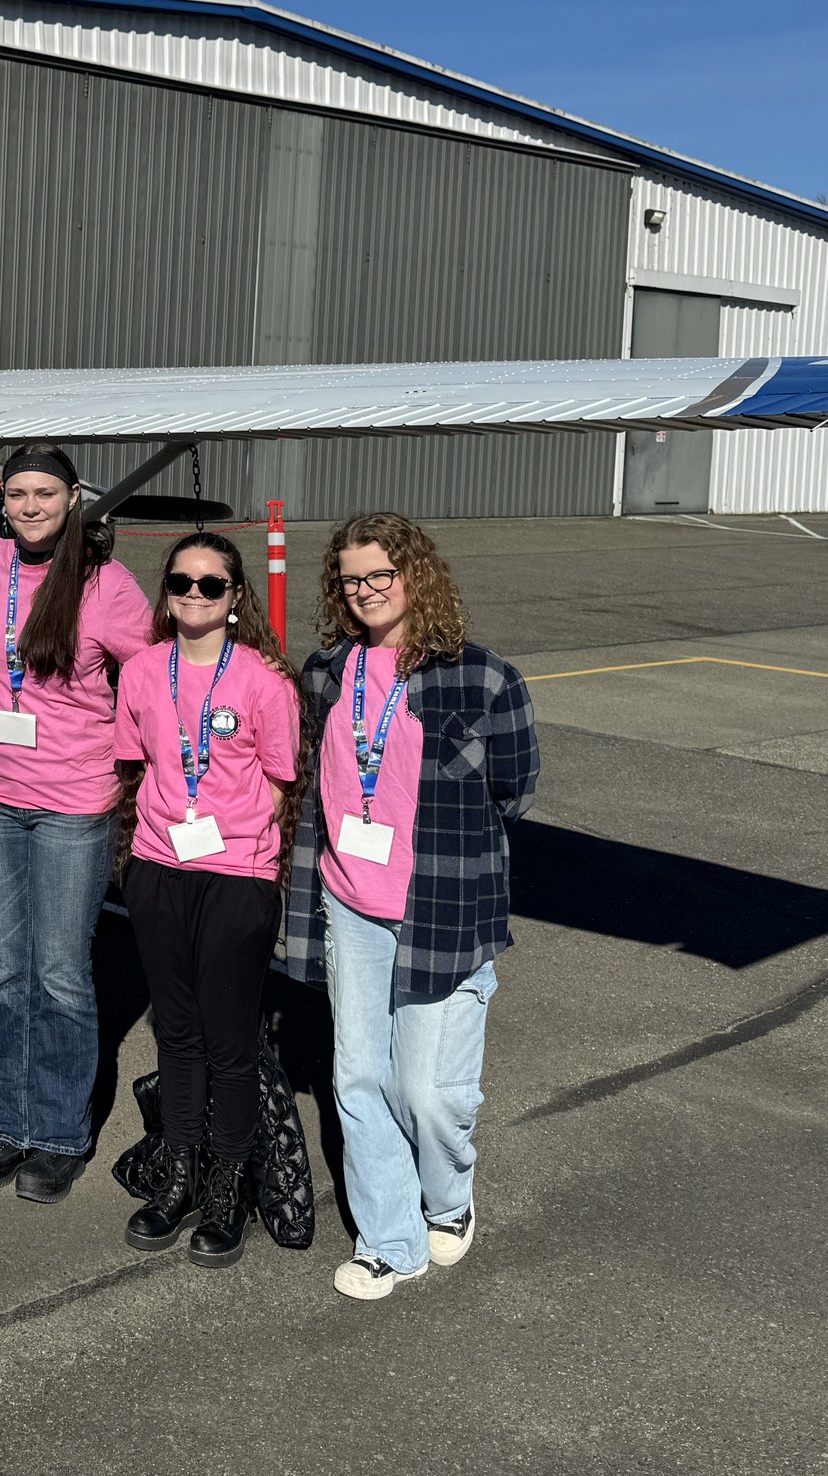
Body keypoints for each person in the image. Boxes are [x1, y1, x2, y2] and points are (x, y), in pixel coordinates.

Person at [279, 511, 540, 1301]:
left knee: (430, 1094)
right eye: (351, 580)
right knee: (358, 1077)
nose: (365, 592)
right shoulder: (325, 674)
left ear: (415, 575)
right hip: (350, 904)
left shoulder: (485, 677)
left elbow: (515, 791)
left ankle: (450, 1203)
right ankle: (390, 1239)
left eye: (380, 576)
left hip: (443, 909)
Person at [0, 445, 153, 1204]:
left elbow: (159, 672)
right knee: (6, 972)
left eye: (45, 493)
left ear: (75, 498)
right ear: (2, 501)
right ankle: (10, 1121)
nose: (30, 506)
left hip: (73, 802)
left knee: (61, 974)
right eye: (17, 494)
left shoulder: (108, 585)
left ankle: (62, 1132)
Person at [111, 532, 301, 1265]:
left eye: (211, 584)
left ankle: (228, 1182)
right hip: (161, 868)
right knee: (176, 1032)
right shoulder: (141, 671)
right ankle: (180, 1168)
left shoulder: (262, 680)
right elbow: (139, 762)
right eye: (182, 582)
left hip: (238, 877)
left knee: (228, 1040)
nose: (194, 594)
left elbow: (282, 779)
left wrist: (246, 857)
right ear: (166, 591)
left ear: (235, 597)